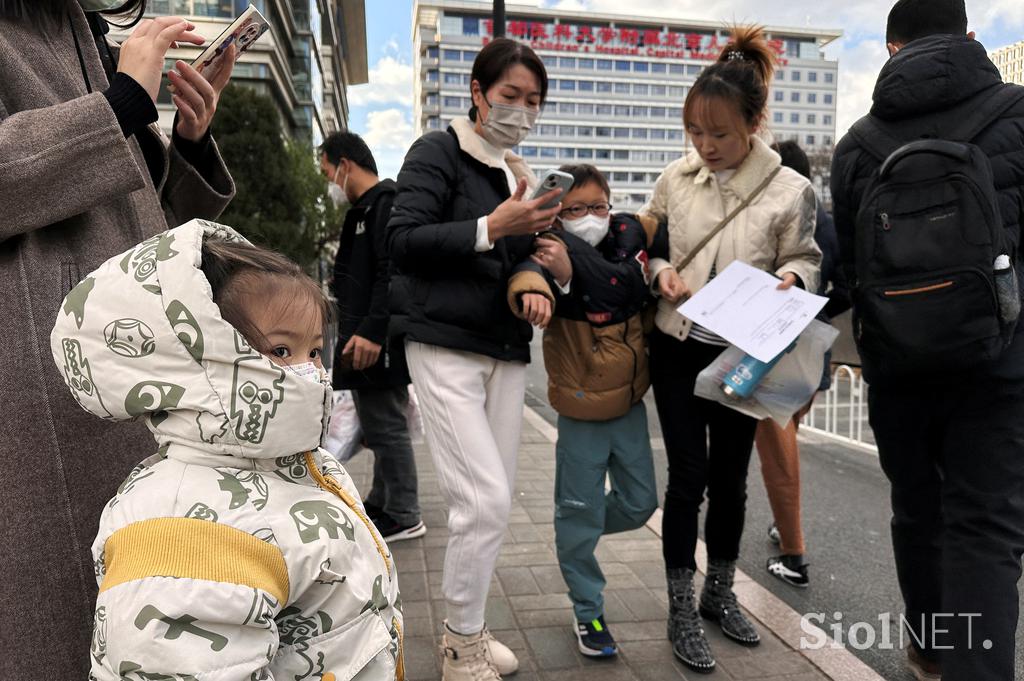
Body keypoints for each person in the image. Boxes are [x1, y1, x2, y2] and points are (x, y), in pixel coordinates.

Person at [50, 220, 404, 680]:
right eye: (280, 351)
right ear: (198, 362)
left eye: (314, 351)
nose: (311, 372)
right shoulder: (179, 528)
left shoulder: (303, 464)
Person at [0, 2, 235, 677]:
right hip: (39, 389)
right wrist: (121, 103)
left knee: (148, 606)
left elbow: (147, 229)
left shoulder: (80, 29)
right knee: (60, 622)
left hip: (134, 386)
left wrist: (190, 137)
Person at [830, 1, 1024, 678]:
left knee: (918, 509)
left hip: (898, 369)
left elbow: (851, 272)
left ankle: (929, 650)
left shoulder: (857, 145)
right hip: (1001, 364)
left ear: (890, 48)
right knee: (987, 529)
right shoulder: (1021, 113)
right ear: (969, 37)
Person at [640, 25, 821, 674]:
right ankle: (680, 603)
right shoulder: (676, 178)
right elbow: (650, 244)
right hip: (680, 345)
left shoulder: (790, 190)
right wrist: (659, 272)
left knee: (732, 479)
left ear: (755, 123)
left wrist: (794, 278)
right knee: (688, 475)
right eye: (695, 131)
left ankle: (720, 590)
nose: (706, 146)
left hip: (747, 352)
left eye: (719, 133)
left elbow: (806, 256)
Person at [387, 37, 561, 681]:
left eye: (533, 101)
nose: (520, 110)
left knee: (496, 500)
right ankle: (461, 648)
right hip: (443, 344)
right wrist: (495, 226)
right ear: (477, 92)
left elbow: (517, 263)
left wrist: (540, 268)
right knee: (481, 501)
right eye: (510, 96)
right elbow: (402, 240)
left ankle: (473, 631)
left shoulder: (517, 172)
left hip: (506, 350)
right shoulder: (437, 152)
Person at [506, 164, 659, 658]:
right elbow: (530, 271)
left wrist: (577, 264)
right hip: (579, 411)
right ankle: (588, 610)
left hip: (629, 404)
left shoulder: (627, 241)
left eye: (597, 206)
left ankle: (576, 528)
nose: (589, 217)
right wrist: (533, 286)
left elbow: (636, 278)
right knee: (578, 517)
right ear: (558, 211)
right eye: (575, 209)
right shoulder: (546, 247)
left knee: (640, 505)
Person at [319, 131, 425, 543]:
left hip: (375, 339)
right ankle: (384, 501)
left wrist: (372, 331)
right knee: (379, 426)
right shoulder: (359, 211)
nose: (328, 180)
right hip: (359, 339)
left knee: (388, 425)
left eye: (327, 170)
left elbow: (392, 273)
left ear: (344, 163)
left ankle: (405, 511)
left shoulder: (386, 203)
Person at [755, 140, 851, 589]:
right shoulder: (826, 221)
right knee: (787, 438)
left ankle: (794, 554)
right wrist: (820, 309)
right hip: (816, 346)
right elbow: (847, 284)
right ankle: (784, 524)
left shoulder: (784, 220)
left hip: (778, 346)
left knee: (778, 448)